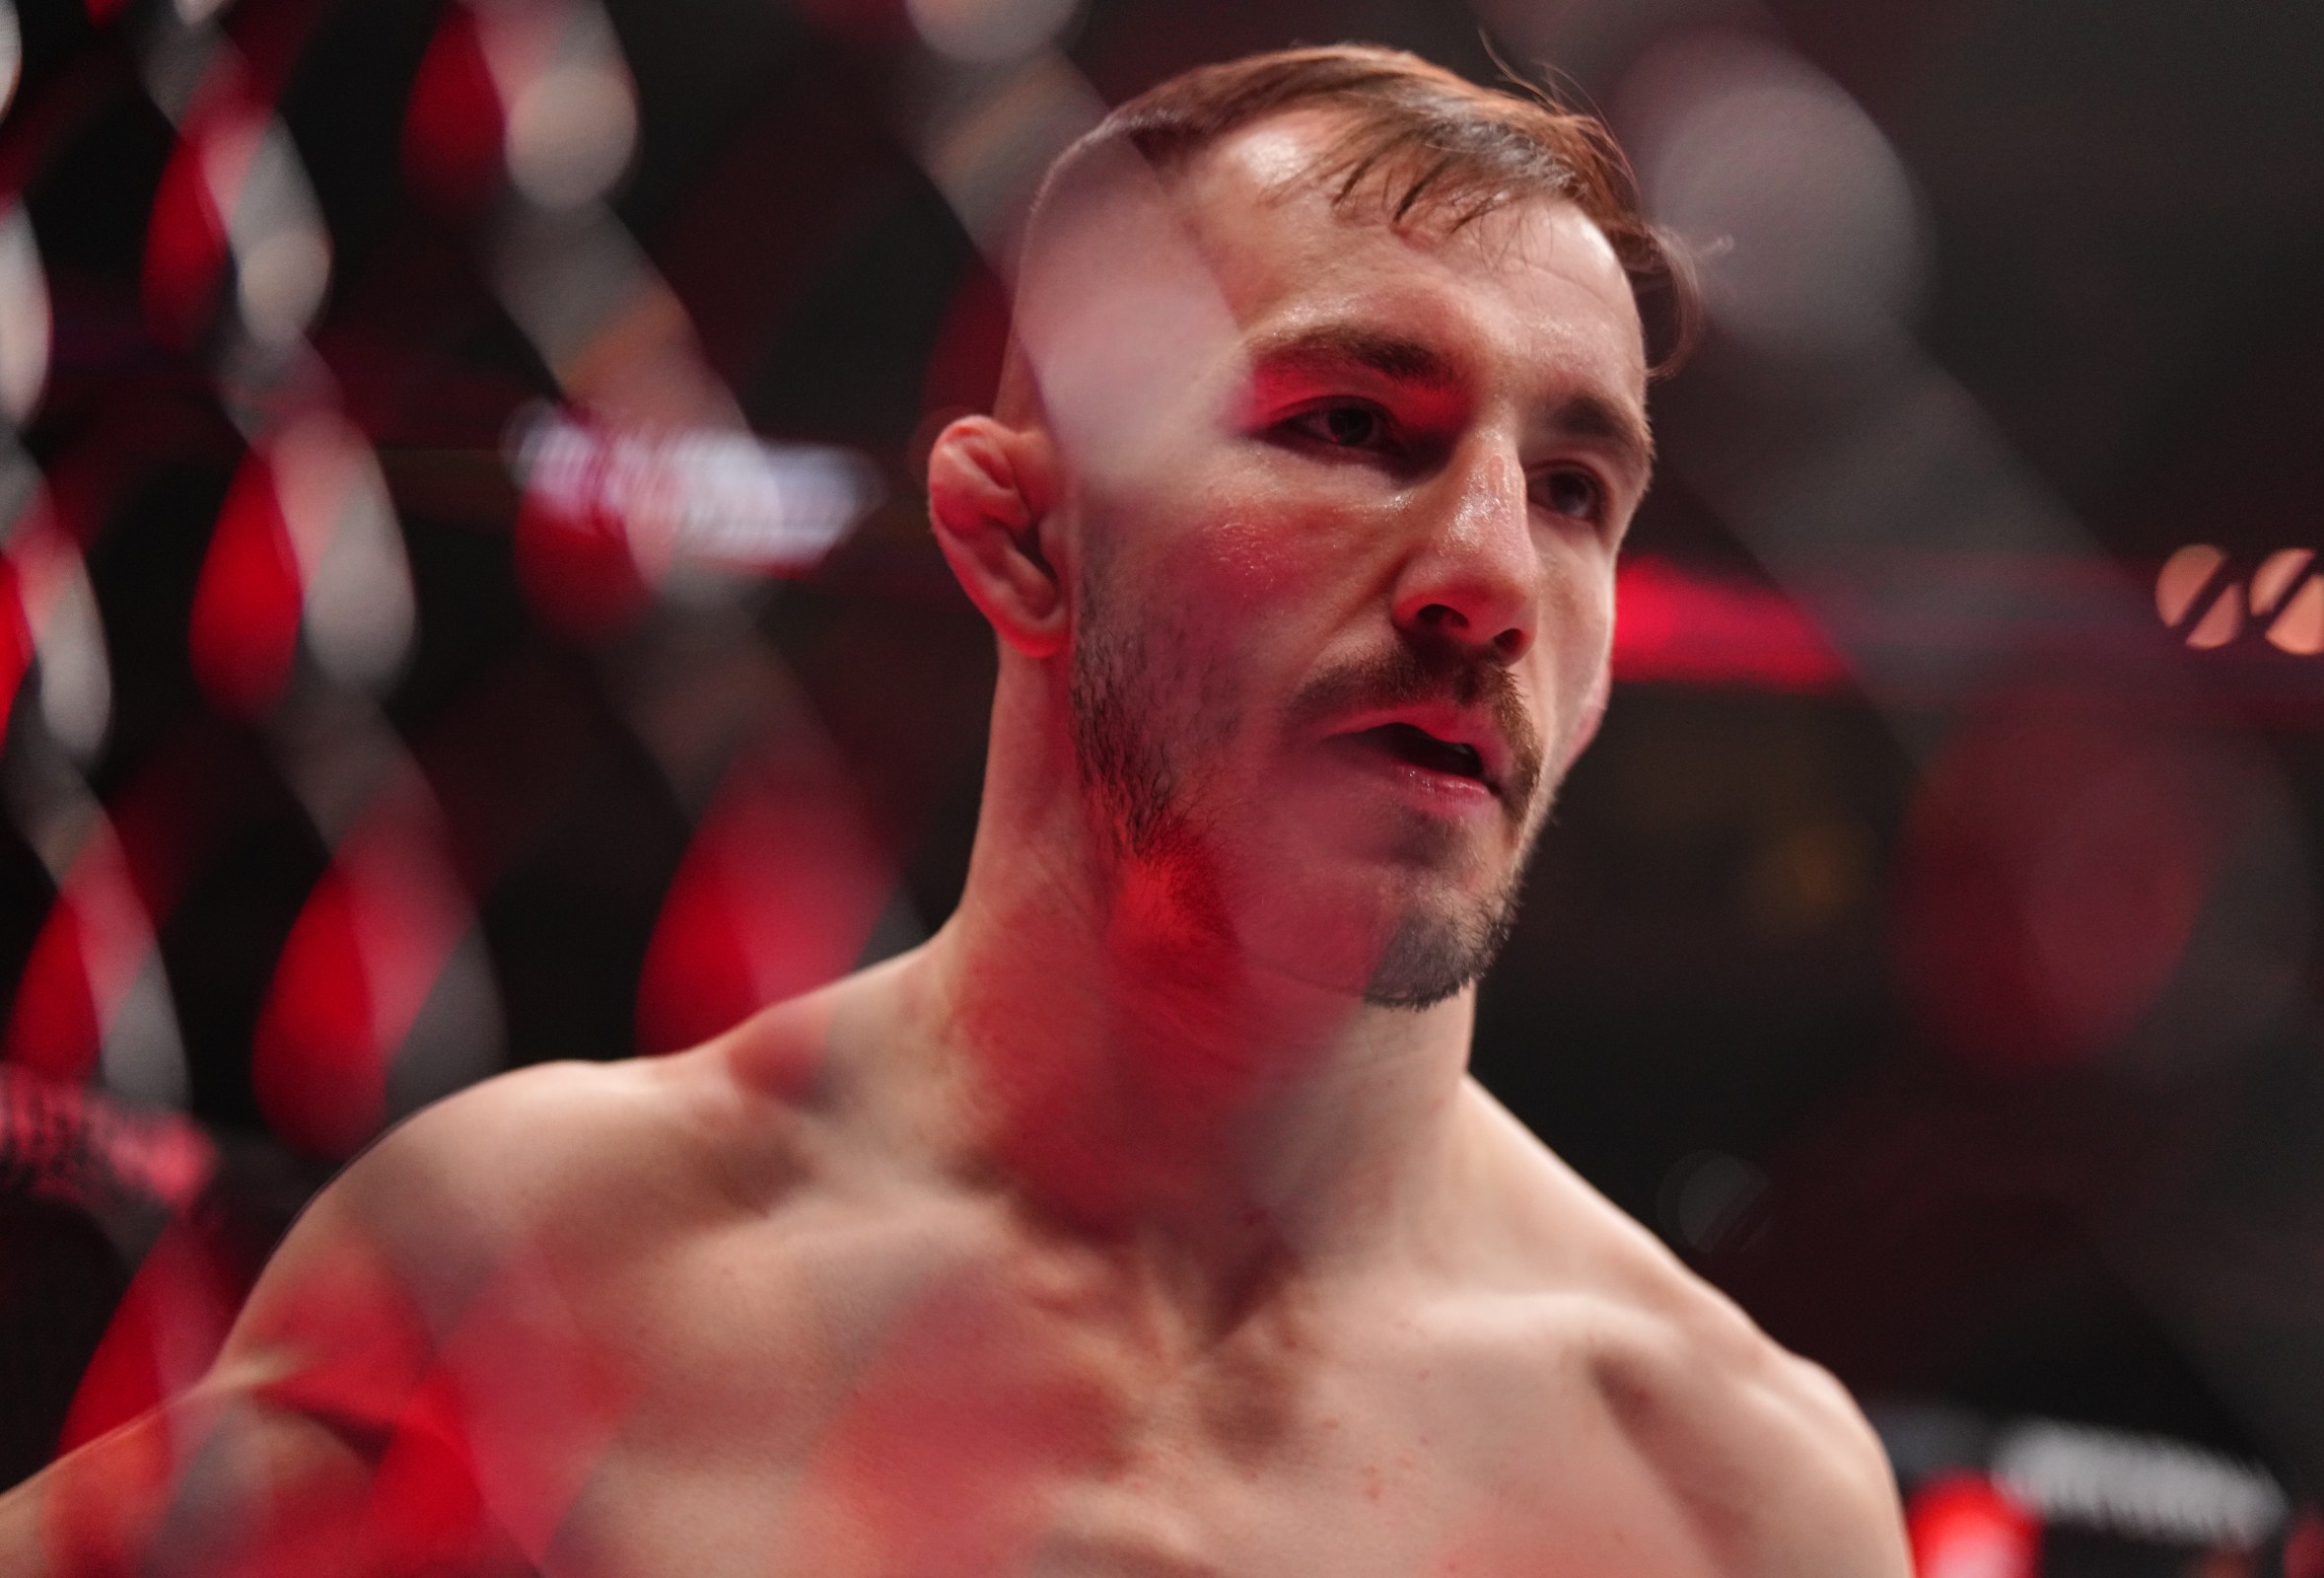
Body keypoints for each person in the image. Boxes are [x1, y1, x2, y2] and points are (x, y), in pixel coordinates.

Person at [0, 44, 1913, 1576]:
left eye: (1576, 487)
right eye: (1350, 423)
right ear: (1020, 533)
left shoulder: (1729, 1491)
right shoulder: (542, 1269)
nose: (1486, 571)